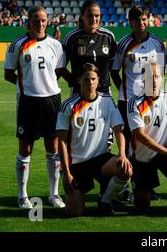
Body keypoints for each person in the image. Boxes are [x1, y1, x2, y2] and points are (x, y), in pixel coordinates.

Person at [4, 6, 66, 209]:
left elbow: (57, 71)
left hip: (52, 101)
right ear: (28, 22)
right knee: (26, 149)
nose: (40, 24)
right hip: (28, 102)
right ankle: (22, 195)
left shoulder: (55, 45)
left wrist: (44, 84)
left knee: (53, 149)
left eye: (43, 20)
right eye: (36, 20)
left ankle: (54, 194)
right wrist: (28, 85)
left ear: (47, 22)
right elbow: (8, 74)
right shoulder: (17, 45)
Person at [56, 63, 133, 217]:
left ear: (98, 80)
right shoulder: (68, 105)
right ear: (78, 80)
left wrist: (122, 155)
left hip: (101, 160)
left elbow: (119, 131)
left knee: (126, 169)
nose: (90, 83)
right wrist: (66, 172)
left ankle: (105, 200)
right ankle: (80, 192)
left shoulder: (107, 101)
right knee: (74, 213)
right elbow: (61, 142)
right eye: (86, 79)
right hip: (76, 164)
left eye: (93, 79)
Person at [111, 6, 165, 200]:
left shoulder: (158, 43)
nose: (141, 23)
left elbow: (160, 71)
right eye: (137, 20)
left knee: (147, 145)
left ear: (148, 19)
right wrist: (124, 92)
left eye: (144, 19)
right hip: (127, 103)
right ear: (130, 22)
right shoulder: (124, 44)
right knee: (125, 148)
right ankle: (124, 187)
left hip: (150, 103)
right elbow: (114, 71)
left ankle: (146, 187)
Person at [127, 62, 167, 217]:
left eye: (156, 76)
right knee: (142, 207)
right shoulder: (134, 102)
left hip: (163, 153)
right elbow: (140, 135)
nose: (153, 81)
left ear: (161, 79)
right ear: (142, 79)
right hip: (141, 159)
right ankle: (139, 190)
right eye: (149, 77)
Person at [61, 0, 117, 95]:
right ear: (82, 16)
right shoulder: (72, 38)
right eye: (90, 15)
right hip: (79, 92)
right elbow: (61, 66)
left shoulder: (108, 36)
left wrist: (102, 79)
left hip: (104, 91)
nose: (94, 19)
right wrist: (74, 81)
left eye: (97, 16)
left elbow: (112, 64)